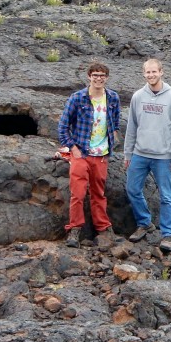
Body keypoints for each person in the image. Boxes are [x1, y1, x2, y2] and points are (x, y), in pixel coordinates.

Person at [124, 58, 171, 252]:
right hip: (140, 153)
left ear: (161, 72)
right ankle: (144, 223)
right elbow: (131, 127)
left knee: (166, 196)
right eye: (147, 72)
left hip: (164, 156)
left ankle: (168, 234)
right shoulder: (137, 97)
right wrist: (128, 153)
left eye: (154, 72)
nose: (151, 75)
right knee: (132, 189)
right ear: (144, 74)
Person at [58, 62, 121, 248]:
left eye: (102, 75)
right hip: (81, 153)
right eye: (95, 75)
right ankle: (74, 229)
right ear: (89, 76)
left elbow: (115, 123)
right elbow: (62, 127)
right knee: (77, 194)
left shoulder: (113, 98)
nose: (99, 78)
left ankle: (103, 228)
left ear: (107, 78)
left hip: (101, 155)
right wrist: (73, 149)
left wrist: (112, 140)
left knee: (98, 193)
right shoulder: (77, 98)